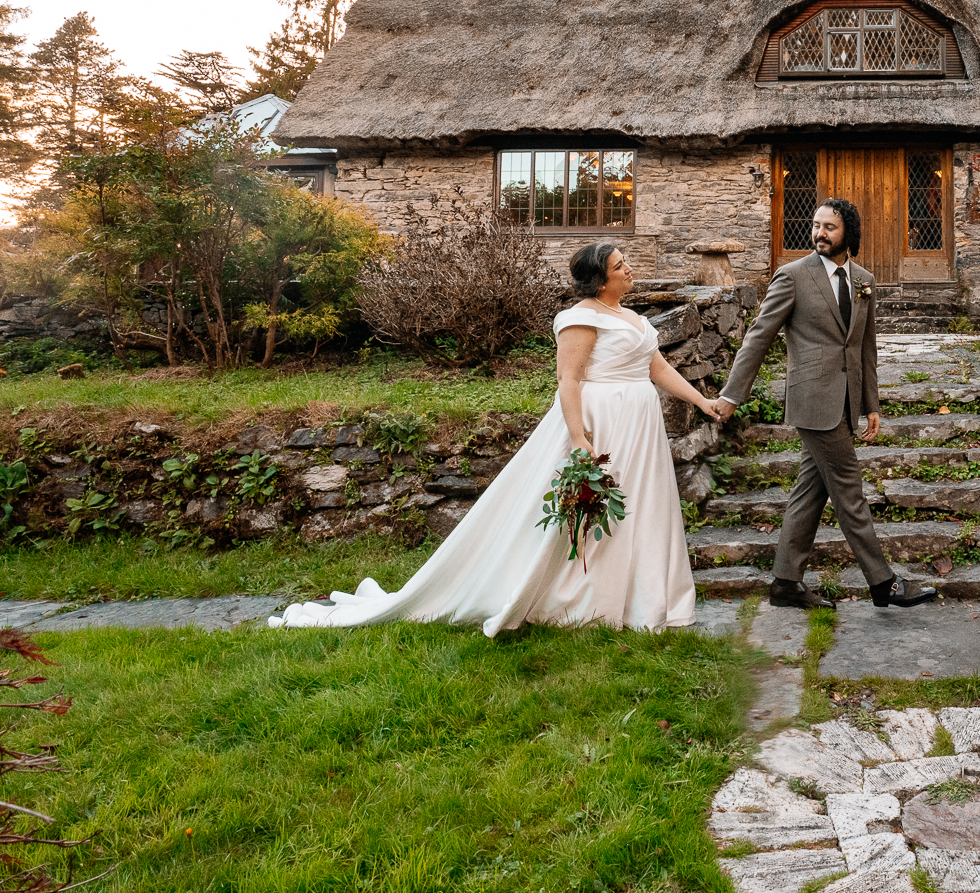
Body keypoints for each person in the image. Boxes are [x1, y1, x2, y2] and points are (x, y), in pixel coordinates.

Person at [270, 243, 722, 635]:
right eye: (620, 265)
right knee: (597, 509)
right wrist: (579, 437)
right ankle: (586, 597)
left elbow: (656, 367)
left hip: (640, 422)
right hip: (603, 420)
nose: (629, 269)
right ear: (600, 279)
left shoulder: (630, 316)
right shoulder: (579, 319)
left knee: (641, 504)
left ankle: (642, 597)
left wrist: (701, 402)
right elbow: (568, 381)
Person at [714, 198, 938, 610]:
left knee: (810, 492)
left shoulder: (864, 280)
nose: (819, 233)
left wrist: (871, 403)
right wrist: (732, 395)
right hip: (812, 400)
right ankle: (882, 582)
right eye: (815, 225)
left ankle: (784, 583)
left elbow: (865, 347)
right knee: (850, 491)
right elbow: (758, 337)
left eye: (829, 227)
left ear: (847, 234)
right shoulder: (793, 276)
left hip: (846, 400)